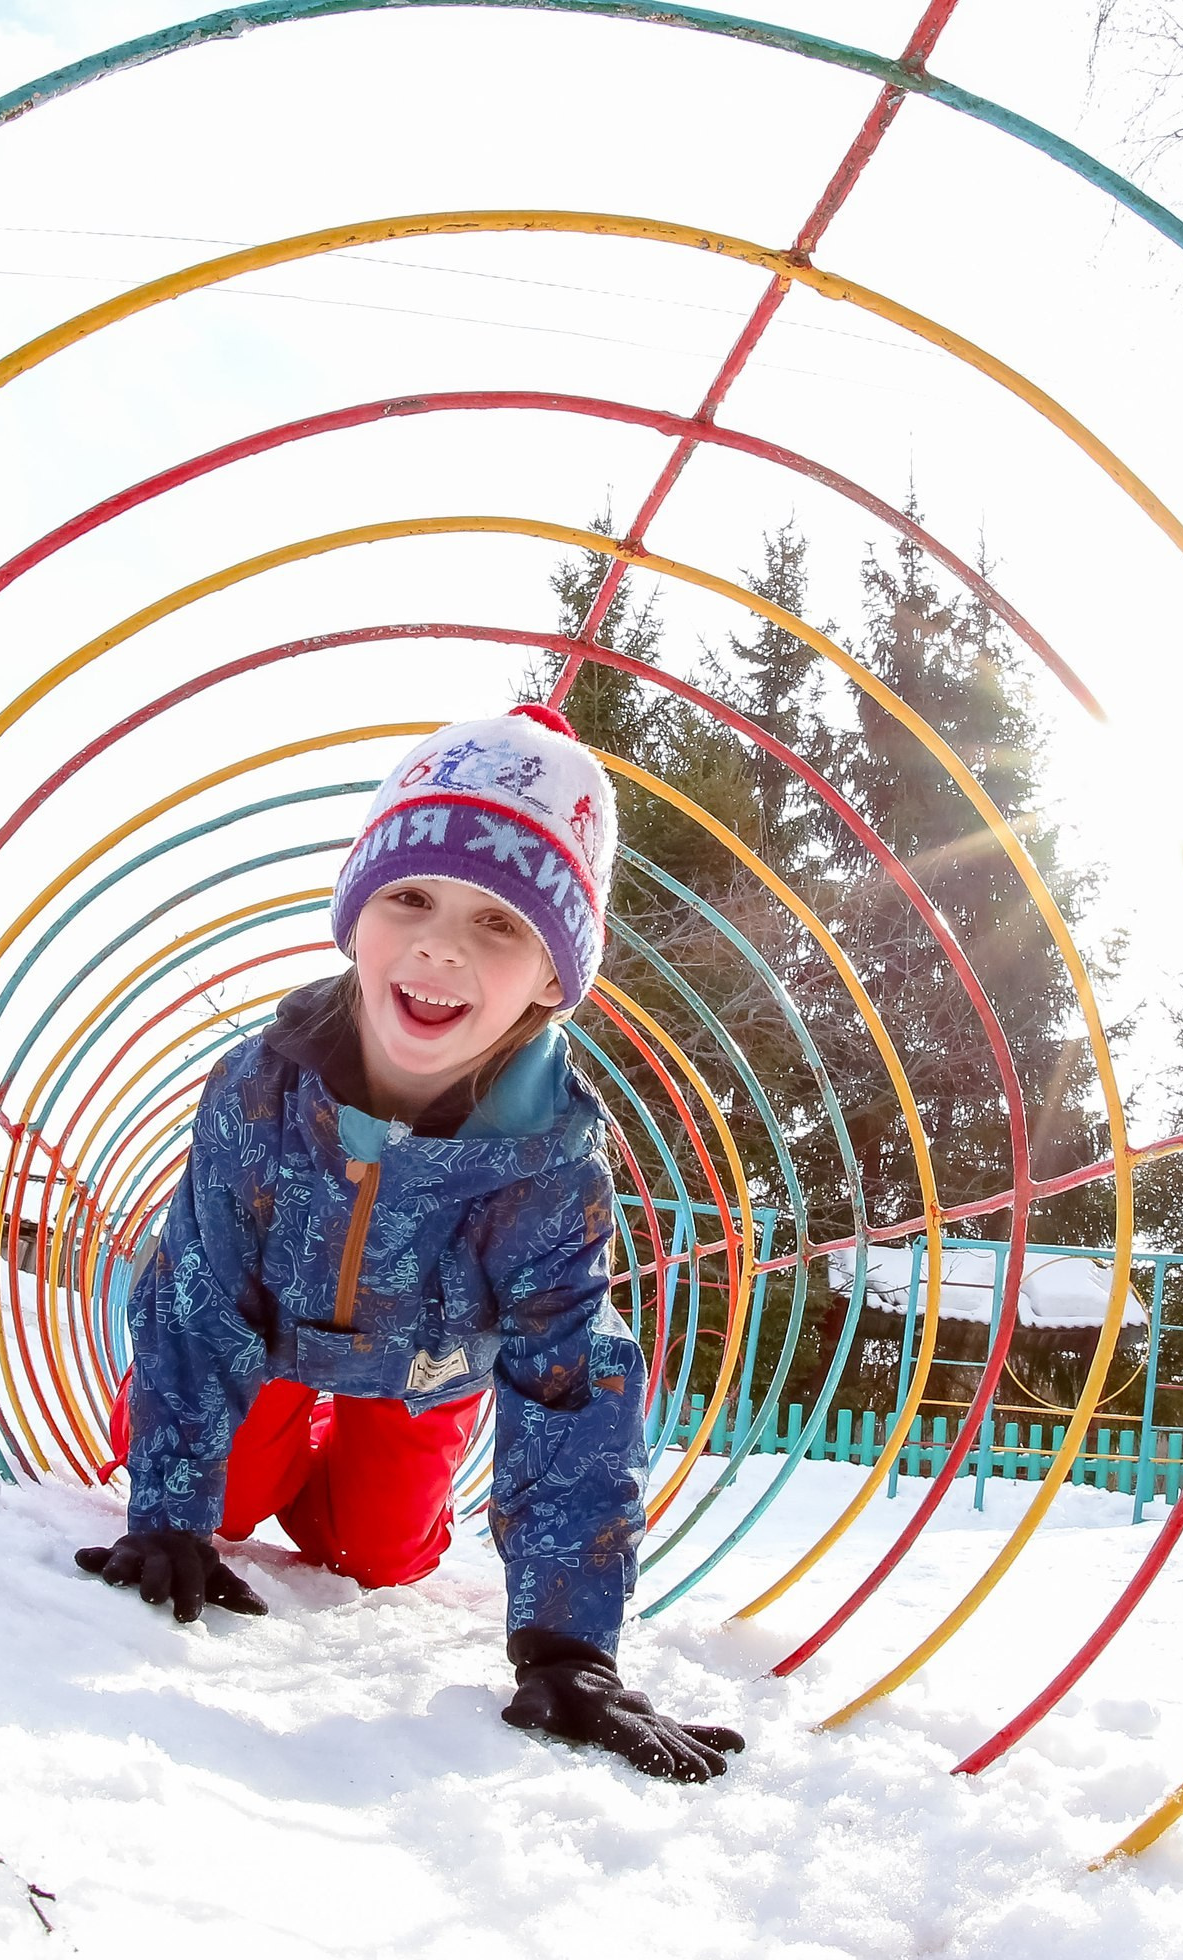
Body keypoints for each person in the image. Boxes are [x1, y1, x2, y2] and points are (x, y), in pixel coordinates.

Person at [76, 703, 745, 1782]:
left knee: (375, 1557)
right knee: (226, 1503)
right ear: (354, 915)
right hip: (262, 1344)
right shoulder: (258, 1088)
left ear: (549, 977)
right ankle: (269, 1440)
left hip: (421, 1372)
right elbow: (195, 1292)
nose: (438, 943)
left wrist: (570, 1648)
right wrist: (167, 1512)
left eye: (499, 923)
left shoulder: (549, 1154)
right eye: (410, 897)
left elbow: (570, 1380)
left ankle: (360, 1465)